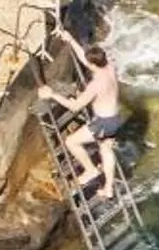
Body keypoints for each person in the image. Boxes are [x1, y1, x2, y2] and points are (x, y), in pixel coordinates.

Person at [42, 31, 125, 196]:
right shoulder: (110, 67)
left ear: (93, 64)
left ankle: (90, 170)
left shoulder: (96, 84)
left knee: (71, 142)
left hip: (102, 123)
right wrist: (71, 39)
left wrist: (52, 95)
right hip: (115, 119)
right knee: (106, 148)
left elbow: (75, 106)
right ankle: (108, 189)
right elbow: (86, 60)